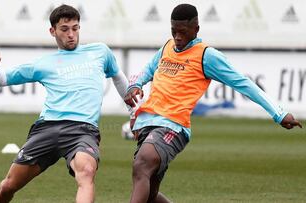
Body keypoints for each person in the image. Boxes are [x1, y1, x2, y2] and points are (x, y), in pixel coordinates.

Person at [124, 4, 303, 203]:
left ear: (196, 29)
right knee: (149, 194)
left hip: (173, 126)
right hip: (147, 124)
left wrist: (279, 113)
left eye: (182, 32)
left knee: (142, 164)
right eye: (173, 31)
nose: (178, 37)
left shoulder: (206, 56)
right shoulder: (167, 47)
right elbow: (146, 72)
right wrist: (135, 86)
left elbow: (244, 84)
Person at [0, 4, 128, 203]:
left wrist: (134, 111)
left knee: (86, 172)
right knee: (8, 186)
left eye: (75, 28)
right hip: (47, 129)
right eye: (65, 29)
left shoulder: (100, 51)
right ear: (53, 31)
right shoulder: (43, 63)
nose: (71, 34)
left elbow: (118, 77)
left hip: (83, 131)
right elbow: (1, 79)